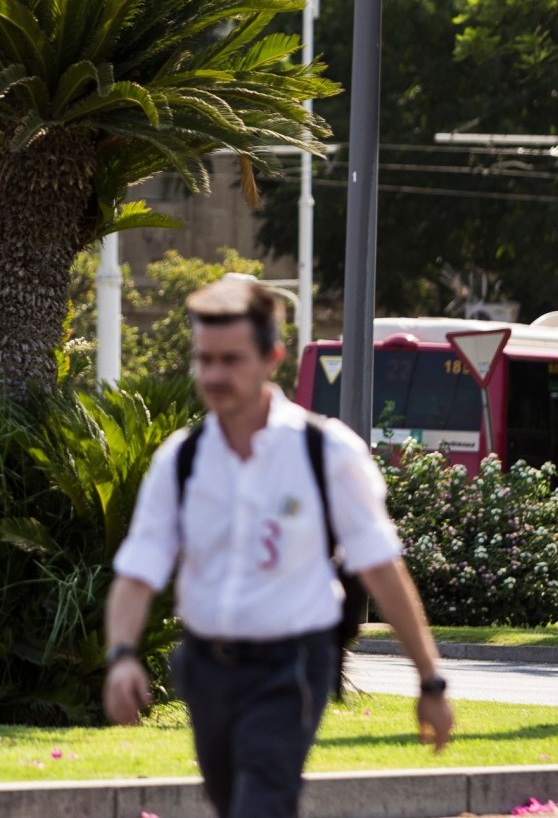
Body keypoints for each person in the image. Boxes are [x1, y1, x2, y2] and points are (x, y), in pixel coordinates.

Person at [102, 277, 453, 818]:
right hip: (205, 668)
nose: (214, 376)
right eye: (205, 360)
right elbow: (140, 567)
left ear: (272, 357)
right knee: (232, 802)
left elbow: (382, 568)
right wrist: (122, 655)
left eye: (231, 360)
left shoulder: (325, 451)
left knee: (262, 801)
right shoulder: (182, 460)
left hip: (290, 665)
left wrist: (430, 678)